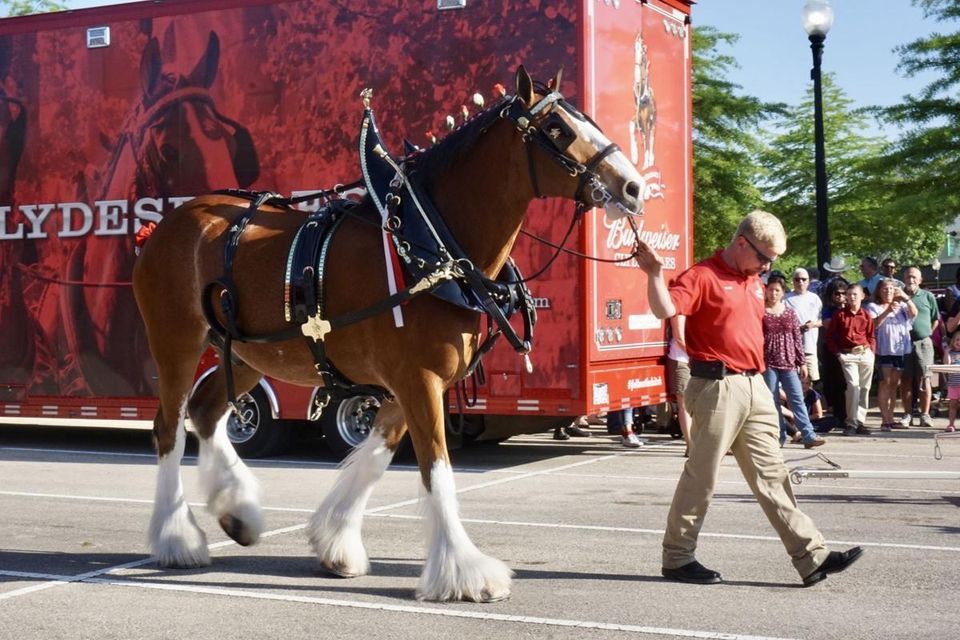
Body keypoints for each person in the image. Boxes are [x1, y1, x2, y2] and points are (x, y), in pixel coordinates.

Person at [633, 209, 863, 587]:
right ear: (742, 243)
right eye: (764, 257)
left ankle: (812, 557)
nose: (768, 266)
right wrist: (654, 274)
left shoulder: (753, 281)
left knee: (773, 474)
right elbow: (665, 308)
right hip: (717, 386)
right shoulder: (702, 275)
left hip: (756, 386)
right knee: (702, 475)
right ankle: (677, 558)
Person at [762, 275, 826, 448]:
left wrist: (802, 361)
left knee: (797, 398)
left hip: (788, 361)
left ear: (783, 292)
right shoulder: (760, 312)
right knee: (772, 401)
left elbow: (796, 338)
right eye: (771, 290)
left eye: (777, 290)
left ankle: (808, 434)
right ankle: (779, 435)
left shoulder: (789, 312)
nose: (773, 293)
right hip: (768, 362)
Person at [866, 279, 917, 431]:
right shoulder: (873, 307)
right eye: (885, 289)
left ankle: (891, 417)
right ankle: (884, 420)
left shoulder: (901, 306)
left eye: (891, 289)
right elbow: (873, 325)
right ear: (879, 291)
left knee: (894, 385)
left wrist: (905, 297)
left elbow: (914, 313)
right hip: (884, 350)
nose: (888, 291)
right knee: (884, 383)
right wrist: (887, 311)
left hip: (900, 350)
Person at [825, 284, 876, 436]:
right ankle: (851, 422)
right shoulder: (840, 315)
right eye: (849, 294)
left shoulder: (866, 315)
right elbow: (829, 337)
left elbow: (871, 336)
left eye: (855, 294)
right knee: (853, 386)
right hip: (848, 355)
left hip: (865, 353)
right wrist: (838, 354)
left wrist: (872, 353)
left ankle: (860, 422)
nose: (851, 297)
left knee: (864, 388)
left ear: (862, 296)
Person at [900, 266, 940, 428]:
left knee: (925, 380)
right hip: (903, 343)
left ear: (920, 280)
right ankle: (907, 414)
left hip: (924, 343)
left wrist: (929, 331)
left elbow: (935, 318)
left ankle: (925, 415)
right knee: (906, 380)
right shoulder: (898, 297)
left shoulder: (928, 296)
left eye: (914, 277)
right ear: (904, 279)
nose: (911, 280)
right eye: (908, 276)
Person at [818, 279, 849, 424]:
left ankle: (848, 415)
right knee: (834, 383)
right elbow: (828, 325)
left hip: (848, 349)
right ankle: (839, 414)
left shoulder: (851, 309)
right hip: (831, 349)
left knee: (847, 383)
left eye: (844, 293)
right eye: (837, 293)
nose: (840, 296)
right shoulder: (827, 310)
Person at [785, 267, 823, 383]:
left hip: (810, 348)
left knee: (812, 381)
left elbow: (822, 321)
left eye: (803, 279)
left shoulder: (815, 298)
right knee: (794, 382)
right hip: (791, 349)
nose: (800, 282)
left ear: (808, 281)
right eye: (797, 279)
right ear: (793, 281)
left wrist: (813, 324)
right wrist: (798, 328)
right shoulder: (785, 299)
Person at [666, 314, 692, 453]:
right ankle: (690, 445)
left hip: (700, 360)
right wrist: (695, 355)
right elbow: (679, 337)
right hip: (681, 359)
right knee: (684, 405)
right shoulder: (680, 310)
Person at [943, 331, 960, 433]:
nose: (959, 342)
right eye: (957, 340)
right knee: (952, 405)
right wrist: (946, 352)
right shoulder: (951, 353)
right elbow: (946, 364)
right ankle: (951, 424)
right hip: (953, 385)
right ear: (953, 341)